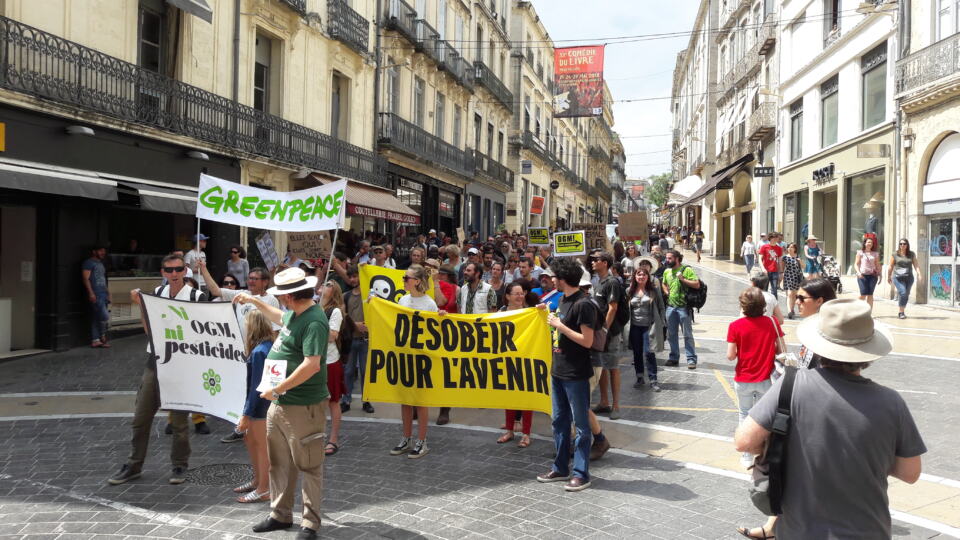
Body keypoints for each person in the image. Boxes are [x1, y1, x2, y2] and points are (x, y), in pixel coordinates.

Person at [735, 299, 925, 540]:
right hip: (869, 531)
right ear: (867, 351)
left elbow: (744, 441)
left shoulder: (792, 385)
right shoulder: (892, 402)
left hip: (800, 531)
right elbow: (910, 473)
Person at [234, 268, 330, 540]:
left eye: (281, 295)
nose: (280, 300)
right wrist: (254, 302)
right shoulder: (296, 314)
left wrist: (278, 388)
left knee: (309, 465)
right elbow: (278, 317)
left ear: (289, 296)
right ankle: (280, 514)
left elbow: (312, 365)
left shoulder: (313, 321)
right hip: (280, 402)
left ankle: (309, 524)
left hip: (302, 405)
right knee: (278, 462)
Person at [108, 253, 208, 487]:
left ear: (185, 271)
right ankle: (134, 464)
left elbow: (204, 332)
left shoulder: (197, 296)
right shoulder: (158, 294)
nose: (174, 274)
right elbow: (150, 329)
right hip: (156, 359)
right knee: (141, 418)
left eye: (178, 269)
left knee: (180, 421)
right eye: (169, 270)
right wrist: (142, 306)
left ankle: (180, 464)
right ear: (163, 272)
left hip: (183, 363)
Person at [537, 257, 598, 492]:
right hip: (558, 370)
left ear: (563, 279)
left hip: (576, 373)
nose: (551, 280)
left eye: (554, 277)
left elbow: (587, 341)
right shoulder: (561, 299)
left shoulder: (584, 304)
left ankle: (581, 473)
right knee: (558, 421)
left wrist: (560, 326)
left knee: (581, 425)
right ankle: (560, 467)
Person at [726, 288, 782, 467]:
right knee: (765, 418)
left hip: (743, 378)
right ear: (763, 306)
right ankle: (764, 451)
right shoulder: (772, 322)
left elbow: (730, 355)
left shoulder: (735, 326)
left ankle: (746, 455)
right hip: (766, 378)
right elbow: (781, 350)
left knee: (744, 414)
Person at [388, 264, 437, 459]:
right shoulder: (402, 300)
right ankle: (406, 437)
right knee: (405, 400)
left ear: (417, 281)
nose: (403, 281)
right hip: (404, 355)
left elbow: (435, 331)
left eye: (406, 278)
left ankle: (422, 441)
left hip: (422, 358)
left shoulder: (429, 303)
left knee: (420, 401)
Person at [233, 310, 275, 503]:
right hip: (262, 405)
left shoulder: (259, 351)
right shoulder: (265, 347)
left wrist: (246, 414)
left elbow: (257, 387)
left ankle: (263, 488)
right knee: (252, 442)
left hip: (261, 408)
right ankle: (258, 481)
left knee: (261, 447)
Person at [496, 282, 538, 449]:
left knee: (526, 398)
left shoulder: (530, 313)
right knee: (509, 397)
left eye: (522, 293)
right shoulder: (501, 312)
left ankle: (526, 434)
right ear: (507, 296)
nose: (520, 296)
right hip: (507, 359)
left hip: (526, 359)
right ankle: (510, 430)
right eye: (516, 294)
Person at [590, 252, 625, 420]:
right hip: (600, 332)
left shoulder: (612, 283)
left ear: (604, 263)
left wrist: (604, 330)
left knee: (613, 367)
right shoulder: (599, 282)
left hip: (609, 333)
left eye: (596, 260)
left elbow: (613, 308)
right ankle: (604, 402)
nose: (592, 262)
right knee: (602, 366)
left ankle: (616, 405)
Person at [341, 265, 374, 415]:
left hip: (366, 340)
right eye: (351, 277)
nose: (353, 279)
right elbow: (343, 316)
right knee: (348, 371)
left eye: (356, 276)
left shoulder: (369, 296)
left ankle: (366, 400)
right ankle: (346, 399)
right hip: (350, 339)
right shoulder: (346, 296)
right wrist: (355, 326)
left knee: (365, 372)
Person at [319, 282, 347, 457]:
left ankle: (333, 439)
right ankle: (317, 437)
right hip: (314, 360)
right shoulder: (313, 307)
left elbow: (332, 336)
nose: (324, 285)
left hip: (329, 360)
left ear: (333, 291)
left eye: (328, 284)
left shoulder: (334, 311)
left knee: (333, 401)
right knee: (315, 402)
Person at [628, 267, 665, 392]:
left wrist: (662, 322)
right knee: (637, 353)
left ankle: (653, 379)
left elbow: (661, 306)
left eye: (644, 275)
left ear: (648, 277)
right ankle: (639, 377)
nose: (641, 277)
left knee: (649, 352)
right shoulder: (629, 290)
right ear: (635, 277)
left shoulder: (653, 290)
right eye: (639, 274)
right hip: (634, 326)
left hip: (649, 326)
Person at [661, 250, 700, 369]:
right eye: (666, 258)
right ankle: (674, 357)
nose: (667, 261)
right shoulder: (667, 271)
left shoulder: (687, 270)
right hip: (671, 307)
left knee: (687, 334)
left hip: (684, 308)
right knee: (671, 334)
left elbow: (696, 284)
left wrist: (683, 279)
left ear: (677, 259)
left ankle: (691, 359)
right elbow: (664, 283)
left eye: (669, 258)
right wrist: (666, 291)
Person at [82, 244, 111, 348]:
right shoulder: (88, 263)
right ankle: (102, 336)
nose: (103, 253)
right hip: (96, 293)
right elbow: (85, 278)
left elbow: (103, 279)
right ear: (94, 251)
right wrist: (91, 293)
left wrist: (108, 293)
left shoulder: (100, 263)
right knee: (104, 316)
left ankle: (95, 340)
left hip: (103, 293)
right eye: (100, 251)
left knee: (96, 317)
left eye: (104, 251)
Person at [888, 238, 921, 319]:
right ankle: (901, 312)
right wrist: (888, 276)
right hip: (897, 278)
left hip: (909, 277)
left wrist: (919, 274)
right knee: (903, 292)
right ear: (899, 245)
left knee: (906, 294)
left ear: (907, 245)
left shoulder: (911, 254)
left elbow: (916, 265)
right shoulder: (895, 254)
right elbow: (891, 266)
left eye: (904, 244)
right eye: (901, 244)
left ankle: (902, 309)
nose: (902, 245)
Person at [855, 236, 881, 310]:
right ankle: (855, 308)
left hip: (873, 276)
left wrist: (880, 274)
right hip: (862, 276)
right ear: (865, 243)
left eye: (871, 242)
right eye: (868, 242)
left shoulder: (875, 253)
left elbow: (877, 264)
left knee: (870, 294)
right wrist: (858, 272)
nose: (870, 244)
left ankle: (869, 312)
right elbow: (856, 264)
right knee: (863, 294)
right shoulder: (860, 252)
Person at [757, 232, 784, 299]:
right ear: (770, 238)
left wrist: (781, 272)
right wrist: (763, 268)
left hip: (774, 271)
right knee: (764, 289)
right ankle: (763, 303)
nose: (775, 239)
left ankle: (774, 304)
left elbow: (780, 261)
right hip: (765, 271)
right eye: (773, 238)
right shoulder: (764, 247)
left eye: (776, 238)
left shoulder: (779, 248)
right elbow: (760, 258)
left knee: (774, 289)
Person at [780, 243, 803, 320]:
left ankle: (792, 309)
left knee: (794, 295)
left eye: (792, 247)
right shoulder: (785, 258)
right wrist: (781, 276)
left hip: (797, 277)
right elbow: (782, 269)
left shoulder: (798, 257)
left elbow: (803, 266)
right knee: (789, 294)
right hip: (788, 276)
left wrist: (800, 261)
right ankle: (789, 311)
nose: (790, 248)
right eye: (789, 247)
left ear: (795, 249)